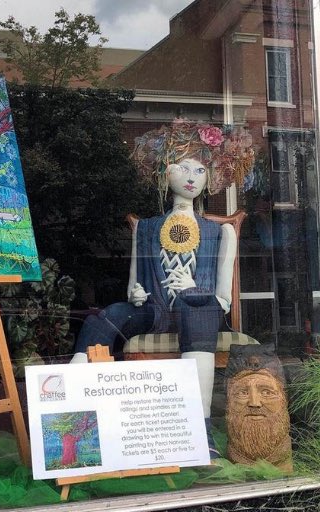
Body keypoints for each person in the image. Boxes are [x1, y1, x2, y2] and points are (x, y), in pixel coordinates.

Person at [71, 119, 255, 458]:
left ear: (210, 177)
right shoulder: (145, 229)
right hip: (154, 311)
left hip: (200, 312)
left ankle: (200, 431)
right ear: (164, 172)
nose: (191, 177)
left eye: (200, 170)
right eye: (182, 167)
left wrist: (194, 290)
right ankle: (73, 415)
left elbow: (224, 301)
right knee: (105, 317)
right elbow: (134, 286)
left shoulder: (221, 232)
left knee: (196, 309)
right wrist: (136, 294)